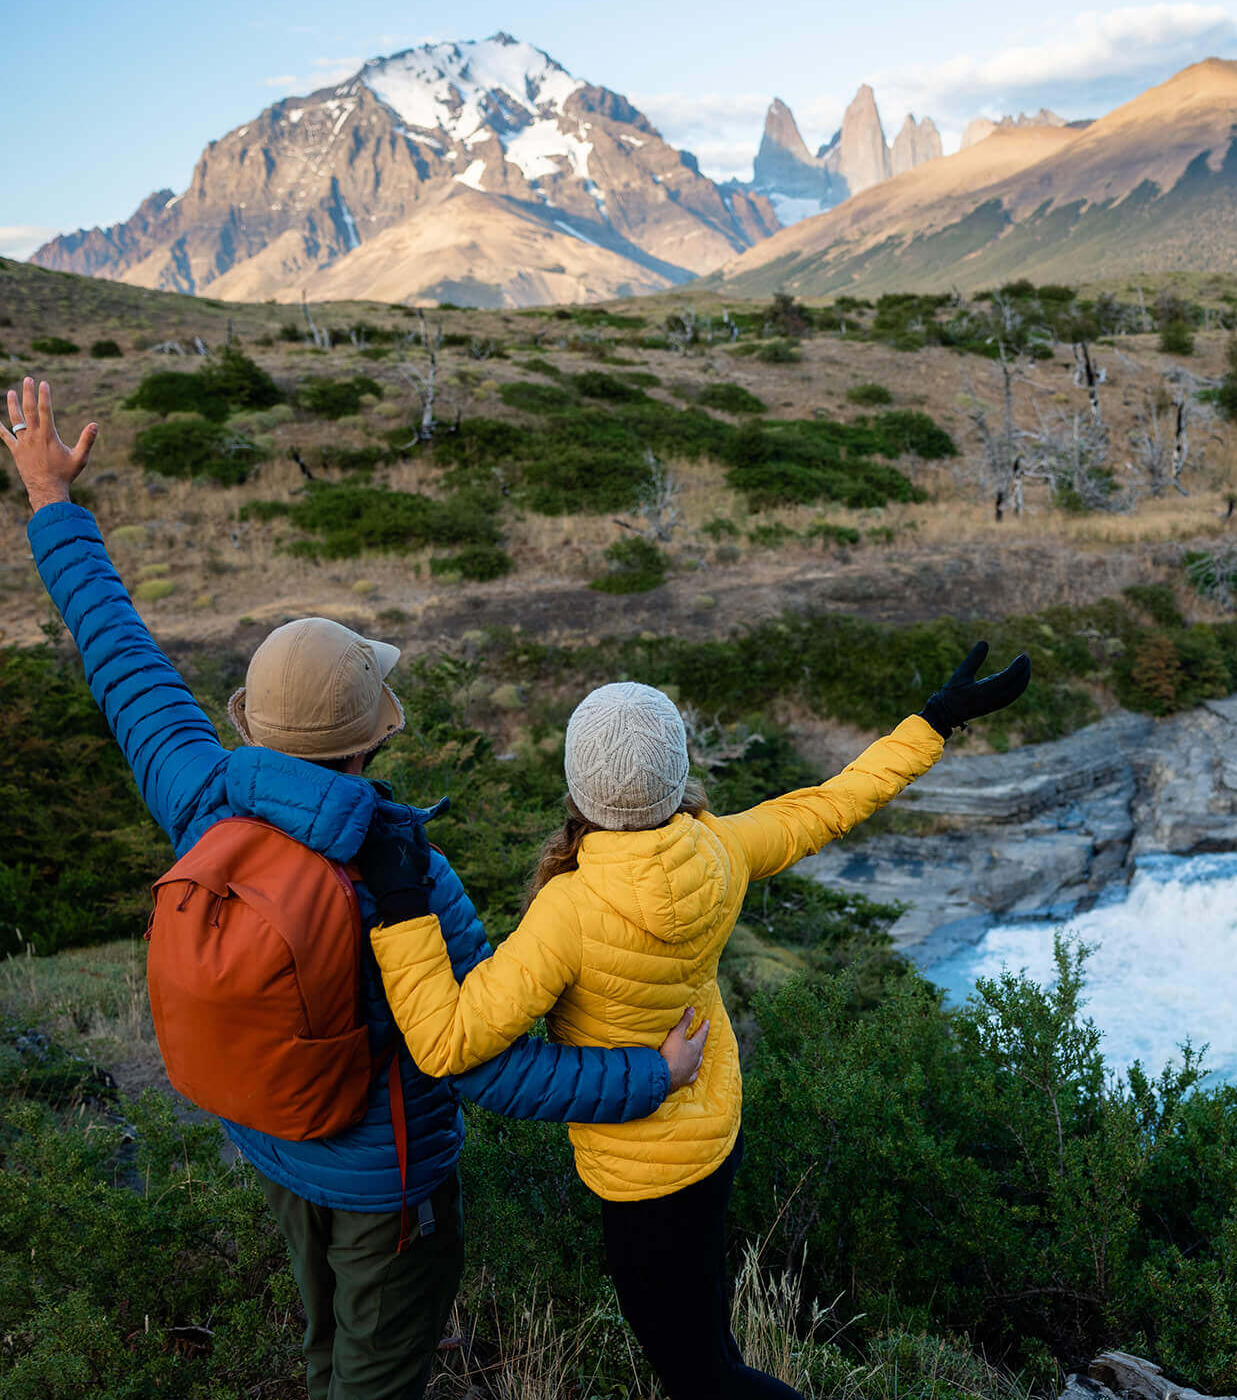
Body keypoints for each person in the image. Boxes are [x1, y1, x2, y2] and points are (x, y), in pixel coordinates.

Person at [1, 377, 707, 1400]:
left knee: (327, 1344)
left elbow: (122, 659)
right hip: (390, 1191)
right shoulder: (405, 876)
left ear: (255, 725)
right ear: (374, 736)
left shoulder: (202, 797)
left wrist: (50, 500)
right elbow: (483, 1065)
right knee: (374, 1377)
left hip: (276, 1144)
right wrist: (652, 1073)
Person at [361, 647, 1031, 1398]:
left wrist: (402, 912)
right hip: (713, 1133)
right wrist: (935, 720)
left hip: (641, 1176)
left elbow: (447, 1040)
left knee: (700, 1374)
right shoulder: (720, 848)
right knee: (711, 1337)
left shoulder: (570, 911)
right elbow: (832, 803)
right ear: (677, 777)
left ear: (579, 789)